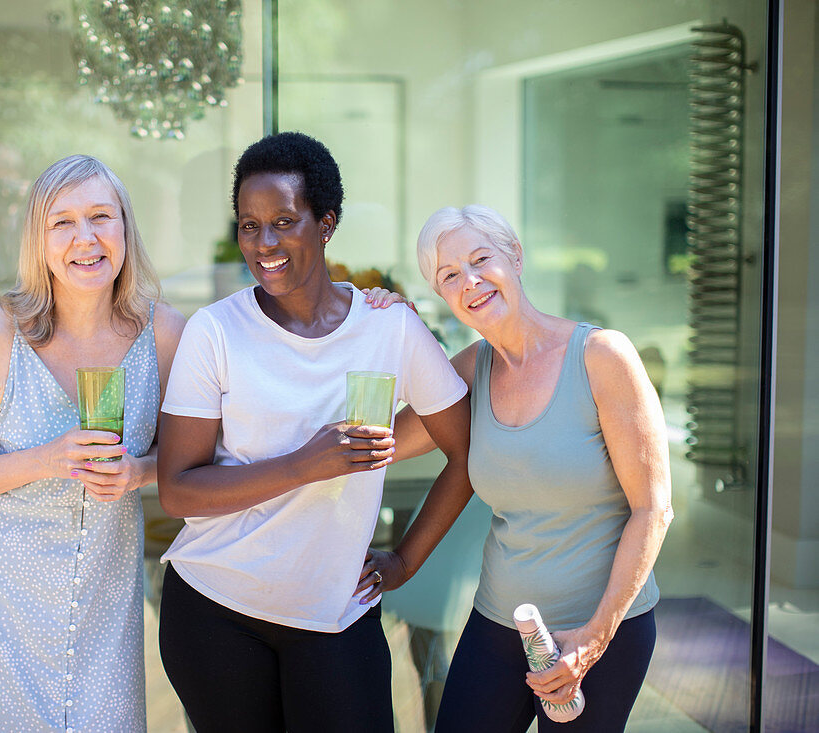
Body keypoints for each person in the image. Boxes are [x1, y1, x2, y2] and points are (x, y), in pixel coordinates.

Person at [155, 132, 473, 733]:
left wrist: (406, 560)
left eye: (283, 221)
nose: (265, 244)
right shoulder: (215, 331)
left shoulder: (389, 326)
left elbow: (464, 450)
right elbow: (177, 490)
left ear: (326, 224)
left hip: (336, 614)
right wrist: (305, 465)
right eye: (249, 226)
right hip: (215, 609)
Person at [366, 204, 673, 732]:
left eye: (482, 259)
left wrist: (595, 637)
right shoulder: (469, 371)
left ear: (517, 258)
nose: (471, 281)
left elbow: (653, 509)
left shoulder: (602, 357)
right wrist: (395, 333)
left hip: (597, 631)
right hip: (498, 624)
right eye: (449, 275)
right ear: (441, 295)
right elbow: (383, 439)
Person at [0, 154, 185, 732]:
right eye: (63, 222)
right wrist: (48, 457)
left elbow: (185, 460)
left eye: (101, 216)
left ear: (125, 228)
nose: (86, 238)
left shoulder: (166, 334)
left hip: (103, 595)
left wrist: (139, 472)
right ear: (39, 241)